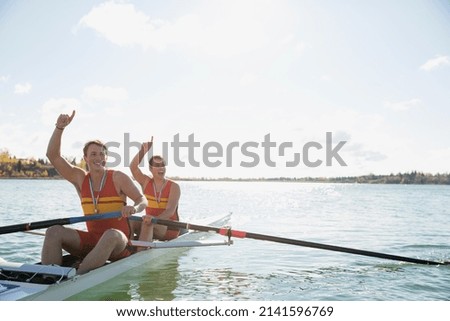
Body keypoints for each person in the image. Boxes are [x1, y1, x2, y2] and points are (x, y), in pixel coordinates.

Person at [42, 110, 147, 274]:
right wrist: (59, 128)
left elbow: (142, 200)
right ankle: (48, 277)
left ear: (105, 158)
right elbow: (53, 156)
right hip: (93, 242)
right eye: (93, 154)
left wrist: (134, 208)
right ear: (85, 158)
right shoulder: (79, 178)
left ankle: (78, 277)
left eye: (101, 154)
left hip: (119, 244)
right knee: (53, 231)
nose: (98, 158)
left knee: (111, 234)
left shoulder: (118, 177)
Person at [130, 138, 181, 243]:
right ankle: (127, 250)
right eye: (157, 166)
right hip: (150, 222)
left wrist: (153, 220)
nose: (161, 168)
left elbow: (170, 211)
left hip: (169, 228)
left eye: (163, 165)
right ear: (150, 169)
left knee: (147, 223)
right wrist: (143, 151)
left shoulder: (174, 186)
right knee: (130, 221)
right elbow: (133, 167)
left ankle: (141, 250)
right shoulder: (145, 182)